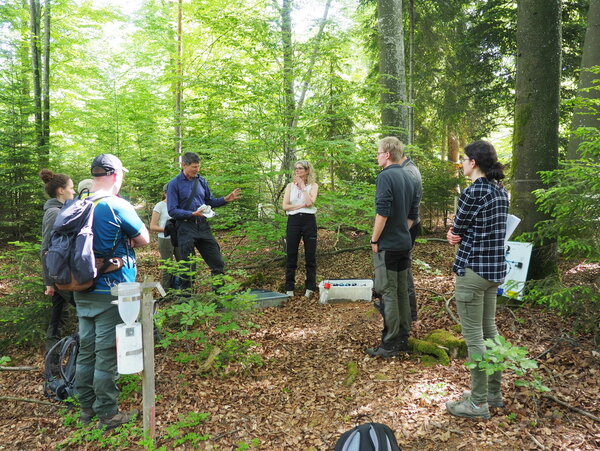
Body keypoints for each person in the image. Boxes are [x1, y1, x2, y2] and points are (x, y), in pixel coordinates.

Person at [75, 154, 150, 429]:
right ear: (116, 175)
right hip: (110, 290)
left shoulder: (79, 203)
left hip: (81, 287)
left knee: (86, 351)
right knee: (106, 353)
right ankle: (107, 413)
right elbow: (144, 238)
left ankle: (85, 408)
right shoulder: (116, 205)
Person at [445, 140, 508, 420]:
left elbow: (457, 229)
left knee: (474, 339)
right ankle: (493, 394)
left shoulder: (474, 191)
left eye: (464, 161)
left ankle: (479, 403)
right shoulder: (500, 191)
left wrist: (452, 234)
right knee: (490, 333)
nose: (462, 166)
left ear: (473, 162)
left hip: (472, 272)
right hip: (494, 271)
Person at [367, 137, 417, 357]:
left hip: (388, 246)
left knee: (388, 293)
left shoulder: (385, 176)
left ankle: (389, 344)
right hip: (404, 244)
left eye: (378, 153)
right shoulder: (408, 176)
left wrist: (375, 239)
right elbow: (413, 215)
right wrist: (401, 232)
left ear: (387, 155)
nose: (376, 157)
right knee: (401, 292)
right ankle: (403, 336)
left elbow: (383, 212)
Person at [166, 152, 241, 290]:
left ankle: (220, 295)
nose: (197, 170)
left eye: (198, 166)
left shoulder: (201, 181)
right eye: (194, 167)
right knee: (187, 266)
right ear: (184, 165)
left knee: (217, 262)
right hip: (185, 228)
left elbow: (209, 201)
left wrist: (225, 199)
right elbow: (172, 210)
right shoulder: (174, 184)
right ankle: (186, 299)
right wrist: (191, 214)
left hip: (203, 227)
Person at [39, 169, 76, 352]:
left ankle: (52, 364)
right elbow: (45, 248)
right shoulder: (54, 213)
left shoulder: (62, 210)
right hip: (59, 275)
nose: (74, 191)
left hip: (61, 273)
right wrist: (49, 282)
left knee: (58, 317)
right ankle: (53, 365)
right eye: (71, 188)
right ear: (61, 190)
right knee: (81, 309)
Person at [282, 160, 319, 297]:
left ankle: (310, 287)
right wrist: (298, 206)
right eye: (296, 168)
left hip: (309, 220)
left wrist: (303, 186)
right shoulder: (290, 186)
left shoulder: (313, 186)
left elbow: (310, 203)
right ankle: (289, 287)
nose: (297, 171)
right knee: (291, 254)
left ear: (307, 171)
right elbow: (285, 206)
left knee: (310, 255)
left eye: (300, 168)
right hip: (294, 220)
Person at [400, 154, 422, 321]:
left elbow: (411, 208)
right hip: (409, 226)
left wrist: (401, 230)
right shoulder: (409, 168)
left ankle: (410, 314)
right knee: (403, 268)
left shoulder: (409, 172)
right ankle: (409, 313)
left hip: (409, 226)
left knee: (404, 269)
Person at [150, 183, 180, 289]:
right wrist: (168, 230)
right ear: (165, 193)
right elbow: (152, 226)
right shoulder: (160, 205)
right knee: (167, 266)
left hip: (179, 238)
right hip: (165, 239)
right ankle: (166, 292)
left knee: (184, 264)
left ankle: (184, 290)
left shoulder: (179, 205)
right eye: (169, 192)